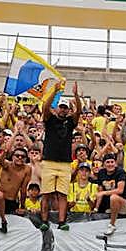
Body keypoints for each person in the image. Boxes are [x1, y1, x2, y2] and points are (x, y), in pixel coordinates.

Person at [40, 79, 83, 231]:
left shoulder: (70, 123)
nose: (64, 110)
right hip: (49, 162)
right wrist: (55, 91)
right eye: (61, 107)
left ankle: (61, 221)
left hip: (65, 163)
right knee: (46, 194)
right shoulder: (49, 119)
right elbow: (45, 107)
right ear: (56, 108)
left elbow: (79, 112)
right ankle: (44, 220)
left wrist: (76, 96)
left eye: (66, 108)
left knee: (62, 194)